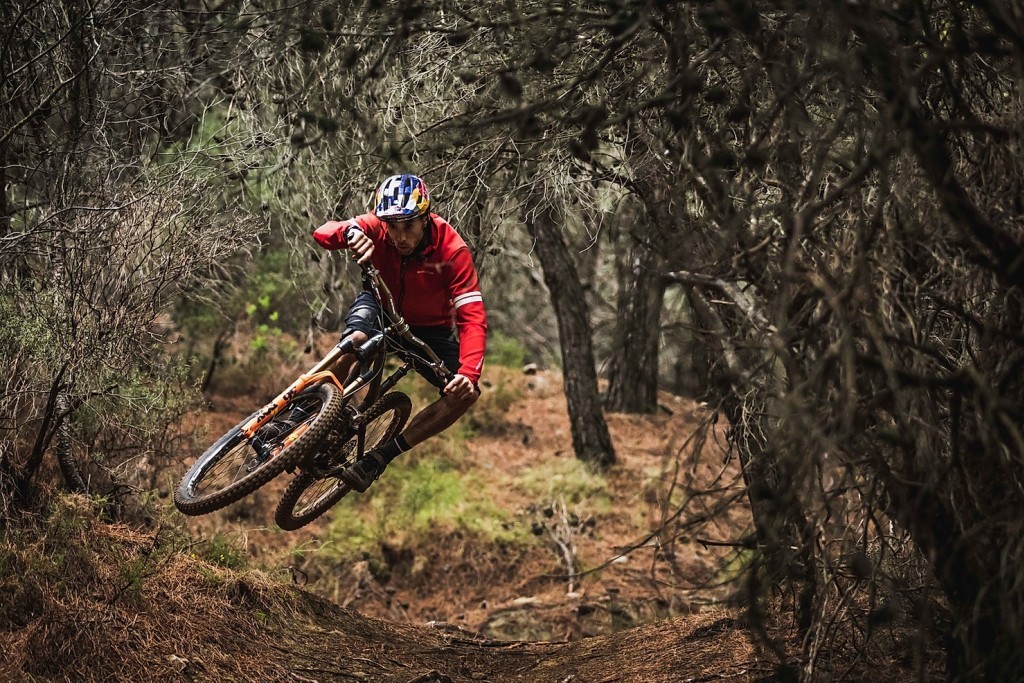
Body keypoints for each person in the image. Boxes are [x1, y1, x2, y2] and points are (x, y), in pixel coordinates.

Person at [312, 174, 487, 492]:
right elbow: (323, 233)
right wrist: (350, 232)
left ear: (425, 218)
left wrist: (468, 373)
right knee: (355, 341)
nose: (400, 236)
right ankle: (305, 411)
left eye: (409, 225)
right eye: (392, 226)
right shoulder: (375, 226)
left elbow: (472, 318)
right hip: (380, 305)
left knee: (466, 394)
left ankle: (378, 459)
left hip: (429, 329)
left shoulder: (452, 250)